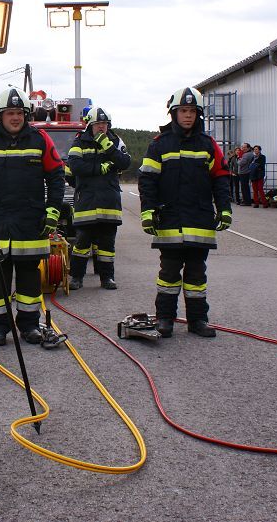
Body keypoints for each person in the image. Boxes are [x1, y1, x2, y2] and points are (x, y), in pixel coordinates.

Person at [0, 86, 65, 346]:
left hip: (30, 221)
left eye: (19, 112)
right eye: (10, 113)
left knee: (30, 277)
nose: (16, 117)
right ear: (0, 115)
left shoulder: (41, 140)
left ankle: (29, 326)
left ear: (26, 114)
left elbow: (56, 176)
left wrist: (53, 210)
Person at [138, 87, 232, 338]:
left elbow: (221, 178)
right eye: (183, 111)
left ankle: (198, 320)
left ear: (198, 114)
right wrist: (147, 212)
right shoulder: (160, 144)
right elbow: (147, 181)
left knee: (196, 275)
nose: (188, 115)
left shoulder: (208, 145)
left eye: (192, 111)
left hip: (199, 221)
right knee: (168, 274)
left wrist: (224, 209)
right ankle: (165, 318)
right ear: (174, 113)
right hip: (169, 220)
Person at [66, 106, 132, 290]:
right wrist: (100, 169)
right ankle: (76, 278)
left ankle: (107, 278)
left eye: (104, 123)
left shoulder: (115, 141)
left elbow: (125, 162)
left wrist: (108, 147)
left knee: (107, 244)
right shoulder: (80, 142)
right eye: (97, 124)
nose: (101, 127)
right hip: (87, 200)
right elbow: (75, 167)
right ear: (90, 125)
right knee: (82, 243)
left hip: (109, 200)